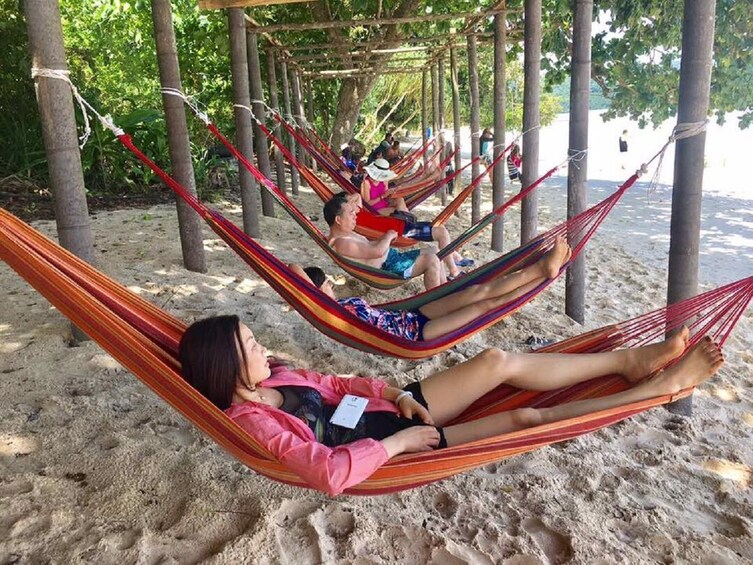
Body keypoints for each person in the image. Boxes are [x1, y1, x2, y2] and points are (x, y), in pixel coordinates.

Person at [179, 316, 723, 496]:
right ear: (226, 369)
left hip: (401, 412)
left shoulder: (276, 374)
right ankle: (652, 390)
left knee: (494, 360)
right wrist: (400, 442)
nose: (259, 345)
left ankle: (623, 362)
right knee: (525, 420)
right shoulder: (252, 422)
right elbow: (328, 472)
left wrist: (393, 395)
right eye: (247, 345)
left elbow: (337, 381)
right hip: (393, 450)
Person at [290, 235, 570, 341]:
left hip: (413, 315)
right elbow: (292, 269)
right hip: (416, 335)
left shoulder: (338, 306)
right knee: (484, 306)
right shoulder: (326, 312)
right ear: (314, 292)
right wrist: (316, 293)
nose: (331, 288)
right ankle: (540, 274)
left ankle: (540, 270)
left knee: (477, 292)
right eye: (326, 285)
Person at [329, 192, 473, 280]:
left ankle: (452, 266)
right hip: (400, 232)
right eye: (349, 208)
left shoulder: (354, 216)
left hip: (399, 225)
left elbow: (358, 196)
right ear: (339, 218)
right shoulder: (346, 234)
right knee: (440, 232)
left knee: (436, 249)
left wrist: (349, 202)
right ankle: (453, 270)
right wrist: (388, 236)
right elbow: (376, 251)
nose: (353, 212)